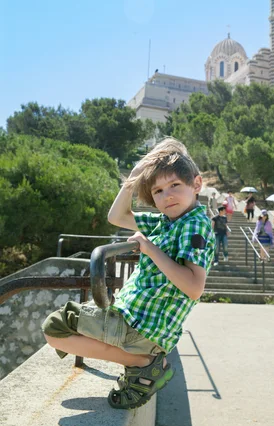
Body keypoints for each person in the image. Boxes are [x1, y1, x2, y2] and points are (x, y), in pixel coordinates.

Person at [42, 138, 215, 410]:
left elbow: (194, 287)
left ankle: (142, 363)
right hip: (136, 320)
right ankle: (140, 363)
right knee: (66, 328)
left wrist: (148, 248)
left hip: (143, 327)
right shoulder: (168, 221)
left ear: (196, 184)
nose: (167, 195)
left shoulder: (195, 227)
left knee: (55, 327)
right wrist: (133, 180)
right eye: (158, 191)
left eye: (175, 186)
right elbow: (117, 216)